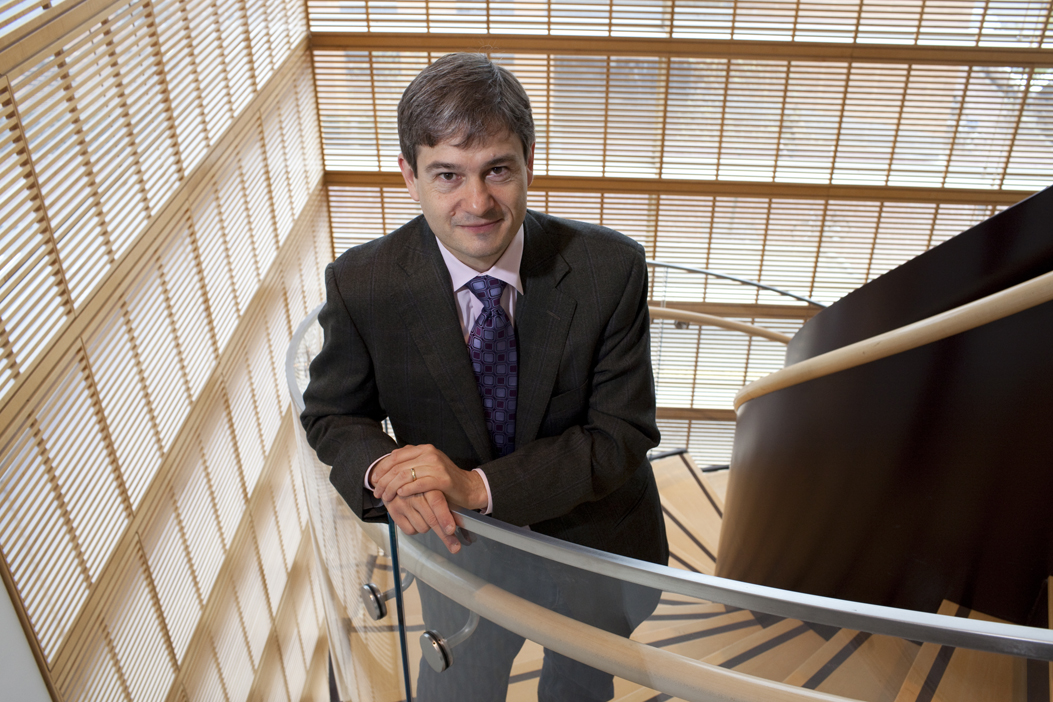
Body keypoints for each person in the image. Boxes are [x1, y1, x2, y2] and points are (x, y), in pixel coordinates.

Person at [301, 52, 668, 702]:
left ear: (529, 161)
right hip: (457, 557)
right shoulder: (363, 284)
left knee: (577, 690)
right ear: (408, 177)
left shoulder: (610, 269)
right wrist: (388, 475)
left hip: (592, 551)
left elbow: (620, 435)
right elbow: (335, 415)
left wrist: (473, 485)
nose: (477, 202)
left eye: (497, 169)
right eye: (447, 175)